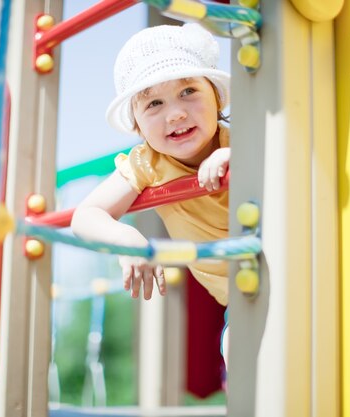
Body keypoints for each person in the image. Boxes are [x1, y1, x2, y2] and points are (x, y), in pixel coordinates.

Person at [71, 23, 232, 363]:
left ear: (217, 97)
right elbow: (85, 215)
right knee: (238, 352)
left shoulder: (243, 138)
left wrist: (238, 158)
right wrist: (126, 239)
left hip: (292, 269)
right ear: (137, 126)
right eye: (154, 103)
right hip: (242, 298)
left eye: (188, 91)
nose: (175, 112)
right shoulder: (148, 163)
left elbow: (284, 156)